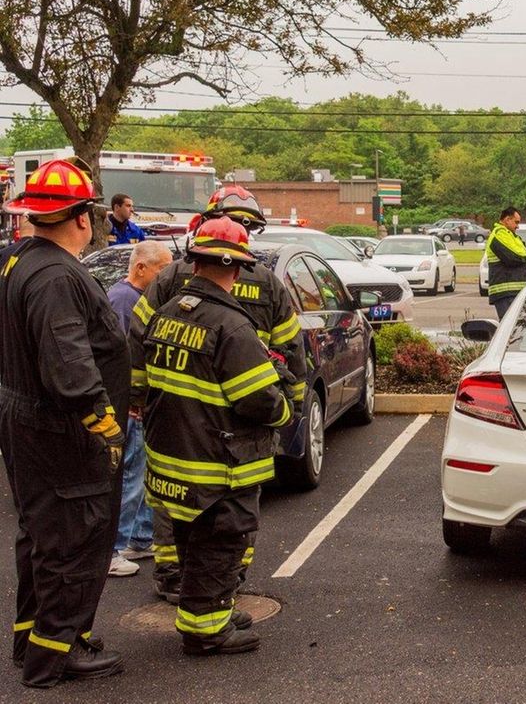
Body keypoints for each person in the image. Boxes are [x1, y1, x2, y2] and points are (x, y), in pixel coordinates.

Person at [130, 183, 304, 603]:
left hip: (173, 413)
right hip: (243, 417)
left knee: (173, 493)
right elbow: (292, 351)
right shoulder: (265, 281)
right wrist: (289, 407)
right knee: (234, 507)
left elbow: (138, 336)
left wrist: (139, 399)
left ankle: (174, 574)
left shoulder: (172, 276)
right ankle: (224, 584)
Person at [0, 158, 128, 687]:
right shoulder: (56, 274)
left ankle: (33, 639)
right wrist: (104, 424)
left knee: (41, 533)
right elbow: (68, 361)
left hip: (27, 420)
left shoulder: (17, 259)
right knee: (76, 539)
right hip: (63, 429)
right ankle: (54, 655)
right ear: (82, 218)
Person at [106, 241, 174, 578]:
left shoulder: (139, 299)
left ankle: (141, 537)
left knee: (143, 475)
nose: (168, 275)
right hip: (129, 408)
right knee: (131, 478)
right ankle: (113, 550)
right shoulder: (123, 301)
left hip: (139, 406)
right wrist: (131, 402)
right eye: (163, 268)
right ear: (142, 268)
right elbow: (120, 358)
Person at [484, 206, 526, 319]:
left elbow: (521, 253)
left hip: (514, 293)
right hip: (506, 293)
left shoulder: (510, 235)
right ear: (507, 219)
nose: (518, 226)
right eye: (516, 222)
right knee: (511, 330)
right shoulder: (500, 234)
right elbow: (516, 256)